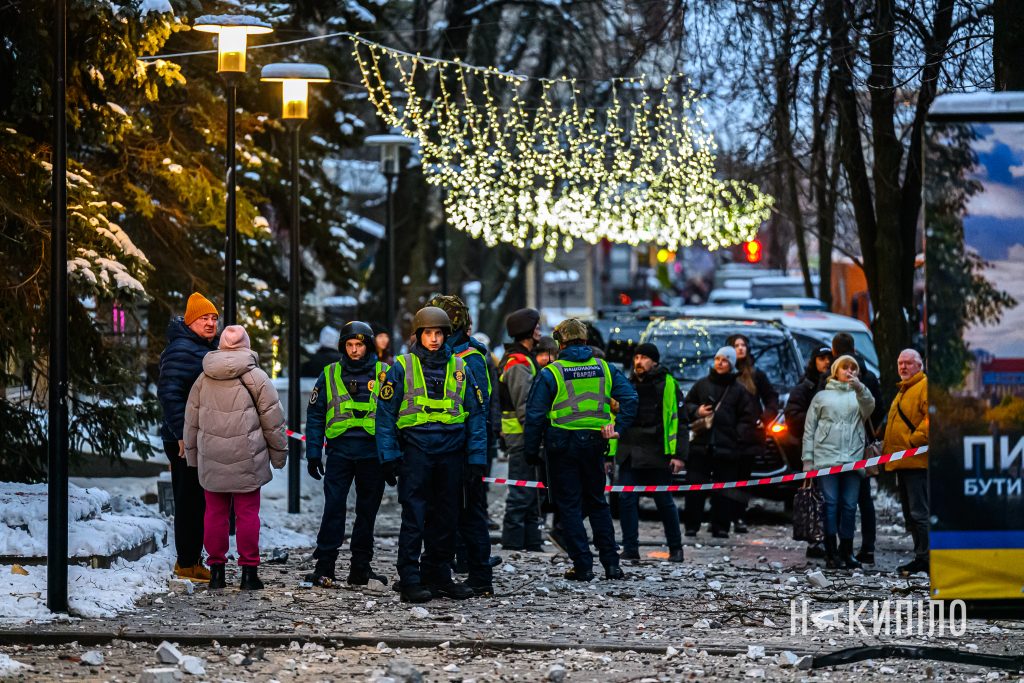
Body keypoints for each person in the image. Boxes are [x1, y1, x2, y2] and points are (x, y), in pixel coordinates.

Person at [375, 306, 487, 603]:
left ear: (447, 335)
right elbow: (384, 415)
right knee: (415, 516)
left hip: (451, 454)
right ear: (419, 336)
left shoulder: (461, 368)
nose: (434, 339)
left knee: (447, 518)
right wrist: (388, 456)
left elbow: (476, 416)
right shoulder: (401, 367)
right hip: (416, 452)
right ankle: (410, 578)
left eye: (439, 333)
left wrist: (477, 459)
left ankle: (439, 575)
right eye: (429, 334)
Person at [523, 318, 638, 581]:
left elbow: (535, 415)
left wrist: (531, 451)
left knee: (570, 506)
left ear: (560, 343)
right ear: (586, 341)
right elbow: (630, 398)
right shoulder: (604, 368)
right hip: (594, 443)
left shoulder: (552, 372)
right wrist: (616, 426)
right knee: (598, 503)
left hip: (561, 445)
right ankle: (612, 565)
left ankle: (583, 565)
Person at [183, 325, 287, 590]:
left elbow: (191, 422)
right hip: (247, 457)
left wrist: (194, 458)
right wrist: (278, 455)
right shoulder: (258, 378)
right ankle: (249, 574)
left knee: (214, 514)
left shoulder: (203, 378)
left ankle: (216, 571)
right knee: (247, 514)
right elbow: (273, 421)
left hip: (212, 457)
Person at [303, 321, 389, 588]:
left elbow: (395, 415)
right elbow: (315, 415)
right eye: (350, 345)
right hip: (340, 453)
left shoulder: (385, 373)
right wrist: (314, 452)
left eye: (359, 345)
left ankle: (360, 568)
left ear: (368, 346)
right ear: (343, 346)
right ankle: (325, 566)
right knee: (334, 509)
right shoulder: (329, 374)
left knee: (367, 512)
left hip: (371, 455)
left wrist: (392, 457)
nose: (354, 350)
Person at [429, 294, 498, 597]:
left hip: (463, 450)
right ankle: (442, 571)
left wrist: (476, 457)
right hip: (443, 448)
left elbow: (478, 413)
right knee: (446, 514)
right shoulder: (443, 355)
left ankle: (480, 575)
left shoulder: (470, 358)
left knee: (471, 514)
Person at [157, 292, 220, 583]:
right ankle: (186, 562)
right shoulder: (182, 349)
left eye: (214, 318)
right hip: (183, 438)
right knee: (190, 500)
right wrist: (182, 434)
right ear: (191, 320)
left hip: (195, 435)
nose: (210, 323)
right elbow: (170, 395)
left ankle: (193, 559)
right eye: (204, 318)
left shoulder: (202, 347)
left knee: (197, 499)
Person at [801, 355, 875, 569]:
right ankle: (831, 551)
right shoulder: (821, 396)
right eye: (845, 367)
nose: (849, 371)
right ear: (835, 371)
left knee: (850, 506)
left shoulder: (859, 395)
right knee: (830, 505)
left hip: (853, 458)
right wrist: (808, 460)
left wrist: (861, 388)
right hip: (826, 458)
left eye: (854, 367)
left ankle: (847, 550)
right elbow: (809, 430)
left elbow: (870, 407)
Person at [614, 343, 685, 563]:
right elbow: (614, 420)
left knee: (664, 502)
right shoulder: (626, 384)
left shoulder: (668, 384)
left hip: (657, 453)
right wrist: (609, 456)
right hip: (630, 453)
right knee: (626, 501)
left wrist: (679, 455)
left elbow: (680, 422)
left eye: (644, 357)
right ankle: (630, 548)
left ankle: (676, 549)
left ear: (654, 361)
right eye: (636, 357)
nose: (638, 362)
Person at [682, 347, 762, 538]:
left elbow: (747, 417)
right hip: (700, 446)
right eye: (717, 359)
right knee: (694, 488)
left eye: (725, 360)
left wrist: (735, 435)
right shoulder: (701, 385)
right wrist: (697, 411)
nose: (719, 363)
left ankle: (720, 526)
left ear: (732, 364)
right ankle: (691, 525)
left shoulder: (739, 391)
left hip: (727, 449)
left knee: (724, 491)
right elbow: (685, 405)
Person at [830, 332, 884, 565]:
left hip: (840, 446)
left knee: (841, 499)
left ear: (834, 351)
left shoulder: (833, 377)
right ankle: (867, 547)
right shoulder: (869, 376)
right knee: (863, 499)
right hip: (862, 445)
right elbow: (878, 409)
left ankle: (842, 548)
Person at [498, 308, 544, 552]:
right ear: (526, 331)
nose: (540, 331)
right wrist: (535, 434)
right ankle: (513, 544)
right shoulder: (518, 362)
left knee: (529, 491)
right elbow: (525, 404)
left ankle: (531, 543)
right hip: (521, 436)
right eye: (536, 327)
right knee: (521, 492)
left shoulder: (523, 358)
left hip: (522, 435)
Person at [783, 346, 834, 558]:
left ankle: (832, 540)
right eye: (821, 358)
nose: (825, 363)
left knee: (833, 500)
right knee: (814, 498)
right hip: (810, 450)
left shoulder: (836, 387)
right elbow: (792, 417)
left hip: (835, 450)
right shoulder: (804, 387)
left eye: (829, 359)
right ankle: (815, 541)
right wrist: (817, 419)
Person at [726, 333, 779, 534]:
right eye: (736, 345)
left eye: (743, 345)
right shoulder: (721, 372)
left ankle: (739, 516)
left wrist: (764, 419)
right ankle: (723, 517)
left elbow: (772, 399)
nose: (740, 348)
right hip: (726, 434)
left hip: (748, 435)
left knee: (743, 478)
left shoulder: (756, 375)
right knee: (725, 477)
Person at [883, 348, 929, 577]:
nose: (903, 367)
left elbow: (931, 418)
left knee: (919, 513)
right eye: (900, 363)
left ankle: (926, 558)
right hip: (904, 463)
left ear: (919, 366)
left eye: (908, 363)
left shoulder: (923, 387)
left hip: (916, 463)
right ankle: (920, 555)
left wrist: (914, 440)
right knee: (911, 514)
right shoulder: (904, 390)